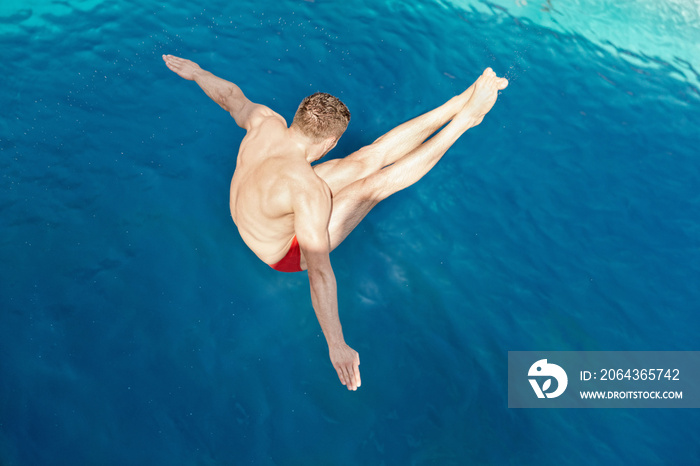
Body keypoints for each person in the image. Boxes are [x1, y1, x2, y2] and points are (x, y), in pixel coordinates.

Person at [163, 54, 508, 391]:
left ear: (298, 114)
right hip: (283, 252)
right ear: (330, 142)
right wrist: (336, 343)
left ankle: (459, 102)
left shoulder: (263, 120)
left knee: (367, 158)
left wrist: (196, 72)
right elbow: (318, 271)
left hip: (260, 209)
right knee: (373, 185)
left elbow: (229, 95)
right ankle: (465, 122)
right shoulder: (306, 189)